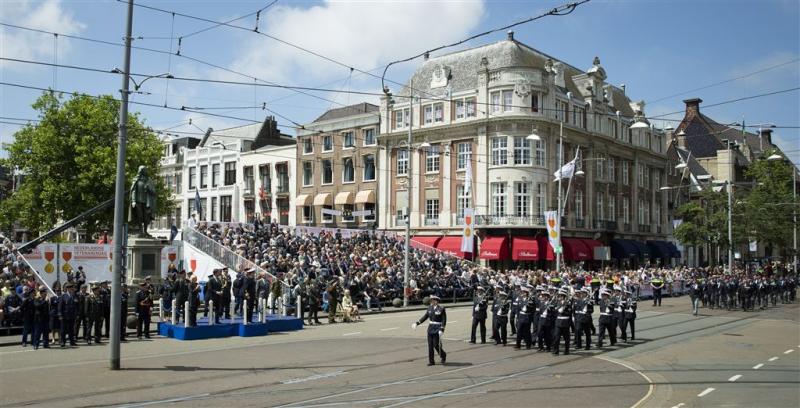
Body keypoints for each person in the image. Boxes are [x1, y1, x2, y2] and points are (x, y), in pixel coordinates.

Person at [413, 294, 447, 366]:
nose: (431, 301)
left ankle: (443, 355)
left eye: (433, 300)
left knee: (436, 345)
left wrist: (442, 329)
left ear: (436, 301)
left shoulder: (441, 308)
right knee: (430, 346)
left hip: (437, 328)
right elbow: (425, 317)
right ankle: (431, 361)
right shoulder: (429, 308)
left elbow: (444, 320)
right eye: (431, 300)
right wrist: (417, 323)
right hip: (430, 328)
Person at [552, 287, 573, 355]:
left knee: (566, 338)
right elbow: (554, 311)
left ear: (563, 296)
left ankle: (567, 350)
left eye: (561, 296)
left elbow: (570, 313)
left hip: (565, 323)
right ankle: (556, 350)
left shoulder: (568, 303)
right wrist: (557, 310)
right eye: (559, 296)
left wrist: (564, 311)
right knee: (556, 337)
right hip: (558, 322)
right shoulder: (557, 302)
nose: (559, 297)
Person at [58, 283, 78, 347]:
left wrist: (76, 314)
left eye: (72, 288)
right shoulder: (63, 296)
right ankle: (62, 342)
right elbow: (60, 306)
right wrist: (60, 315)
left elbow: (76, 306)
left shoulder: (74, 296)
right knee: (63, 330)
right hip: (64, 316)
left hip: (72, 316)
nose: (72, 289)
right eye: (70, 288)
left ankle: (72, 342)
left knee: (71, 330)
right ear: (67, 289)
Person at [514, 285, 533, 350]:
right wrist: (517, 316)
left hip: (527, 317)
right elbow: (518, 308)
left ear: (527, 293)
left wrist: (528, 307)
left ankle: (528, 344)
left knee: (526, 332)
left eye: (524, 292)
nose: (522, 293)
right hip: (520, 316)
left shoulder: (530, 300)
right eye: (522, 292)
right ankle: (518, 345)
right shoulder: (520, 299)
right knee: (519, 331)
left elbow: (532, 309)